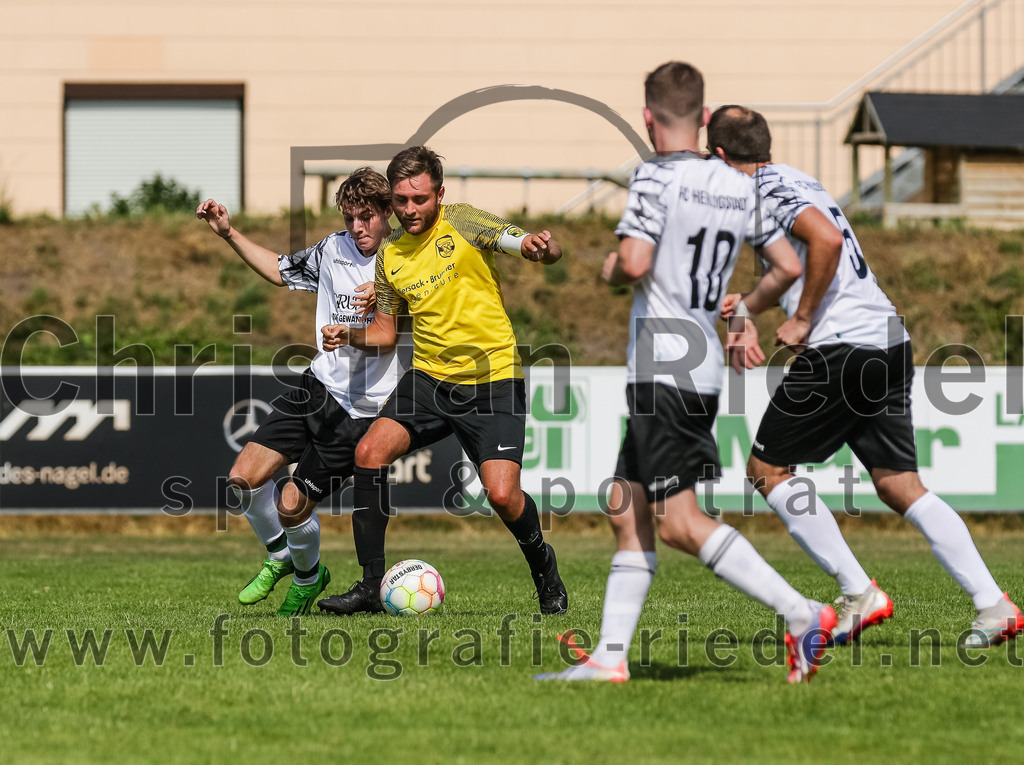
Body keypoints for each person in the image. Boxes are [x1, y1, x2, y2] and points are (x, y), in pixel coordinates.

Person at [537, 62, 835, 684]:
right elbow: (783, 263)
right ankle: (609, 660)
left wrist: (613, 267)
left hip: (664, 366)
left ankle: (803, 613)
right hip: (696, 363)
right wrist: (740, 308)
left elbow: (637, 259)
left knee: (678, 522)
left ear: (648, 117)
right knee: (628, 508)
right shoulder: (733, 183)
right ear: (703, 118)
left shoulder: (654, 176)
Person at [709, 105, 1023, 648]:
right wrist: (753, 307)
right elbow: (802, 258)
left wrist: (802, 316)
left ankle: (859, 593)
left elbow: (826, 242)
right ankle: (994, 605)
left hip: (843, 346)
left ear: (719, 157)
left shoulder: (760, 194)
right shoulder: (795, 179)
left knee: (767, 469)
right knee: (899, 485)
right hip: (885, 339)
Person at [317, 145, 569, 616]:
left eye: (419, 199)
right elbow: (387, 333)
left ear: (439, 195)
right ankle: (372, 588)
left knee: (502, 495)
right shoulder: (390, 254)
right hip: (430, 381)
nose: (409, 210)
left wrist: (541, 246)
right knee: (369, 453)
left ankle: (545, 570)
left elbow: (525, 244)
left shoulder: (464, 221)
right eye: (400, 201)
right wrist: (349, 334)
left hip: (492, 379)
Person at [196, 167, 406, 616]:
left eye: (366, 216)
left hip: (361, 411)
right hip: (317, 387)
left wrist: (355, 327)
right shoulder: (332, 248)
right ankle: (281, 555)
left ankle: (309, 579)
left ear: (388, 212)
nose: (357, 227)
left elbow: (389, 338)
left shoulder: (406, 259)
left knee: (292, 506)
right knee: (243, 478)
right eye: (350, 217)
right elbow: (279, 269)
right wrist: (229, 233)